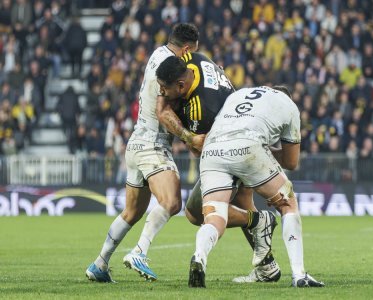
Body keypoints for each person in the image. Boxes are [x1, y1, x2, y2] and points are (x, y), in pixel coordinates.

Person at [85, 23, 201, 283]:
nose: (192, 59)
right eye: (192, 53)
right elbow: (165, 111)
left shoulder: (157, 55)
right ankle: (140, 252)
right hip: (153, 144)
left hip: (136, 142)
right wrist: (189, 136)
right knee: (172, 202)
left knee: (132, 212)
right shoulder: (171, 69)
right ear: (185, 49)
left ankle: (100, 263)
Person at [156, 54, 281, 283]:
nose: (161, 93)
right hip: (245, 134)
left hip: (228, 150)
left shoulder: (200, 109)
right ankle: (268, 265)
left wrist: (184, 135)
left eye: (164, 88)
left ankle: (259, 222)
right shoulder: (193, 58)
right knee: (244, 203)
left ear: (181, 85)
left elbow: (198, 147)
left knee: (196, 213)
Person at [191, 85, 324, 288]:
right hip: (247, 145)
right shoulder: (288, 105)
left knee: (214, 215)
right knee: (288, 203)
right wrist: (267, 149)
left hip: (212, 148)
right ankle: (299, 275)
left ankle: (199, 256)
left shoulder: (240, 93)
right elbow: (291, 162)